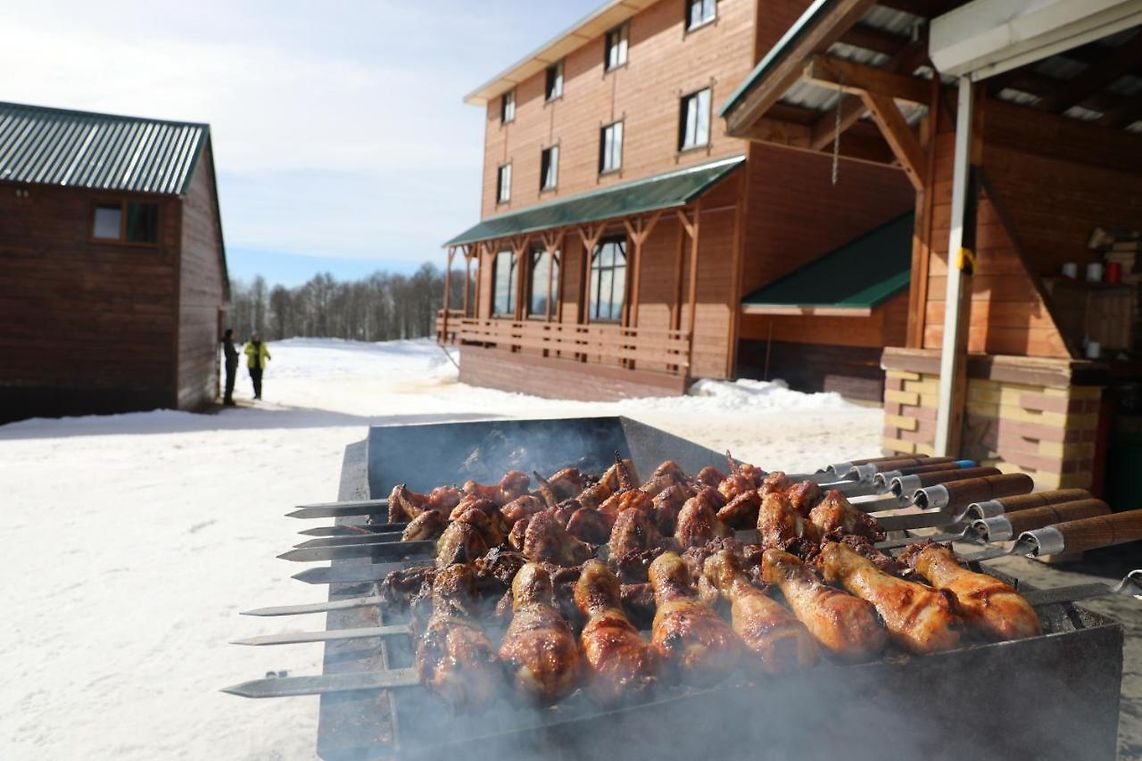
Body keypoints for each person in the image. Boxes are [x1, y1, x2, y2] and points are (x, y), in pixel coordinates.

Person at [244, 333, 272, 400]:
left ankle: (259, 395)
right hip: (252, 365)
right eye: (255, 337)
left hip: (260, 365)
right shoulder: (249, 344)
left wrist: (268, 356)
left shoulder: (262, 345)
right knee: (254, 380)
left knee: (259, 380)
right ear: (253, 338)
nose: (256, 338)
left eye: (257, 337)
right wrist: (253, 351)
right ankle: (255, 394)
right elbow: (246, 351)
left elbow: (265, 351)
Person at [220, 328, 239, 406]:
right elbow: (228, 354)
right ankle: (227, 399)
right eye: (233, 334)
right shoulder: (228, 343)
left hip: (232, 364)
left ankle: (228, 398)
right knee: (230, 382)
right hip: (230, 364)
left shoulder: (229, 342)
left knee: (231, 382)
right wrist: (235, 355)